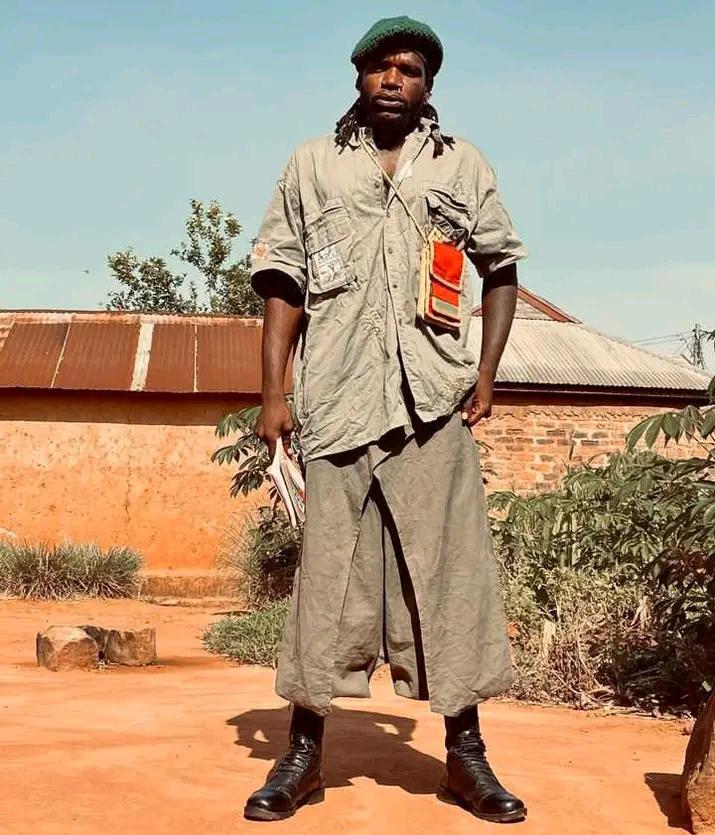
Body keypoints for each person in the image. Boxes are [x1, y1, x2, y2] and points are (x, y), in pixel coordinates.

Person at [245, 15, 528, 824]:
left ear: (429, 84)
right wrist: (273, 395)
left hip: (431, 402)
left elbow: (499, 267)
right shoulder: (311, 164)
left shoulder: (460, 164)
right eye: (381, 66)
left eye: (410, 68)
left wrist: (484, 373)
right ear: (359, 77)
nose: (394, 78)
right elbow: (282, 282)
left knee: (449, 577)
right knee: (327, 579)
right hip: (337, 400)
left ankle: (466, 753)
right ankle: (301, 755)